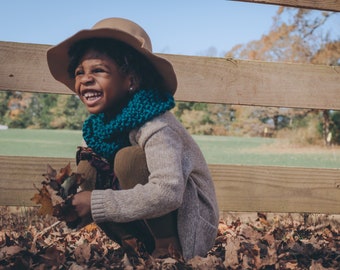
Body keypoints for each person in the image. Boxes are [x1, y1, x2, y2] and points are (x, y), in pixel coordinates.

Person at [47, 17, 219, 261]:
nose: (85, 79)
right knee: (89, 166)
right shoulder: (100, 128)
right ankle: (136, 249)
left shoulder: (156, 124)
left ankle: (167, 251)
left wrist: (96, 202)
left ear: (131, 80)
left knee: (128, 159)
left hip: (189, 225)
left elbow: (168, 192)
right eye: (79, 72)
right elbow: (93, 189)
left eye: (98, 70)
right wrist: (72, 205)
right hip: (143, 221)